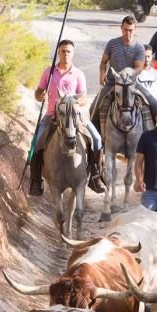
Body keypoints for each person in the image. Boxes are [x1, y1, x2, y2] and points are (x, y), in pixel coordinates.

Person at [30, 39, 105, 196]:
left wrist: (73, 100)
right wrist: (40, 95)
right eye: (63, 51)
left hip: (76, 116)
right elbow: (38, 93)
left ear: (73, 54)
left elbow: (84, 99)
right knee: (36, 144)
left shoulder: (78, 74)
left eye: (68, 51)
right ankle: (36, 181)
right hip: (52, 116)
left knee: (97, 139)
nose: (66, 54)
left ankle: (96, 176)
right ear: (58, 52)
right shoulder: (48, 72)